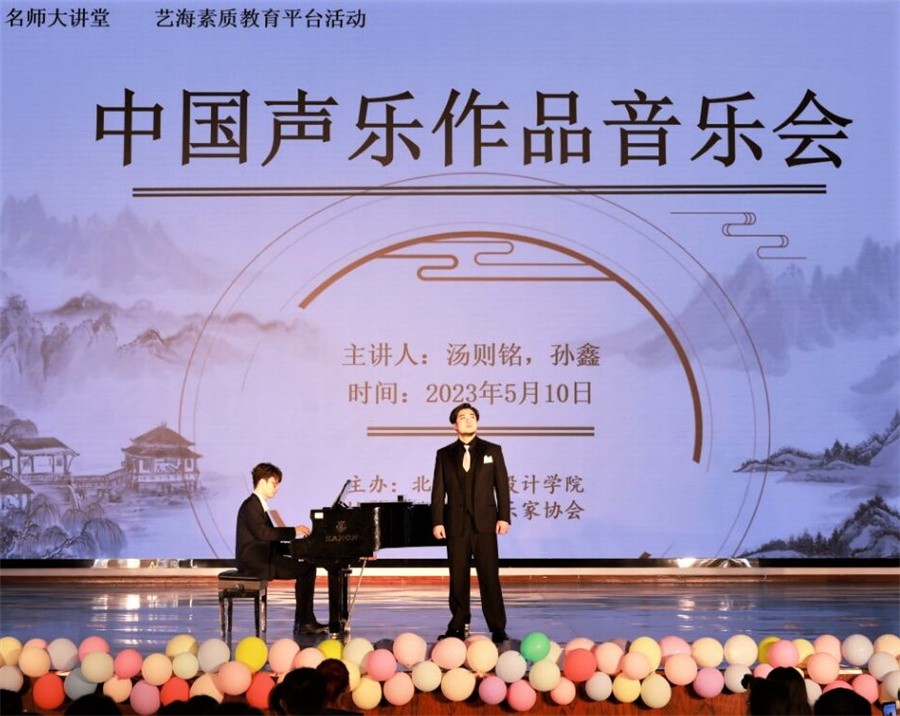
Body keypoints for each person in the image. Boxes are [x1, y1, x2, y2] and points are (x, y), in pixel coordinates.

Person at [430, 402, 511, 644]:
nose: (468, 420)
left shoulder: (492, 450)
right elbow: (438, 491)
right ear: (454, 425)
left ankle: (497, 626)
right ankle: (458, 623)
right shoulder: (444, 454)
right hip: (455, 524)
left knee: (489, 576)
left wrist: (504, 516)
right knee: (458, 577)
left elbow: (502, 486)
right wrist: (437, 521)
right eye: (462, 417)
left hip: (485, 524)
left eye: (472, 416)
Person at [235, 462, 325, 635]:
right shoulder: (251, 506)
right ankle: (305, 622)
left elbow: (272, 541)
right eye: (274, 484)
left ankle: (303, 621)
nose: (276, 489)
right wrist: (294, 531)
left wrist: (299, 549)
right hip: (256, 561)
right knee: (307, 570)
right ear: (262, 482)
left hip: (264, 556)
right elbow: (264, 534)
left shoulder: (258, 506)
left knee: (307, 567)